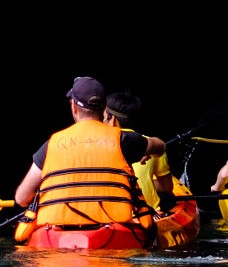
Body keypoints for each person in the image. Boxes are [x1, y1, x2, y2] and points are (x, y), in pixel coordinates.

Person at [11, 76, 161, 243]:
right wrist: (152, 152)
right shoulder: (124, 140)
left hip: (55, 240)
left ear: (74, 107)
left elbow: (22, 198)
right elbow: (159, 145)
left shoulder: (50, 145)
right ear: (104, 108)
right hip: (111, 236)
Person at [105, 89, 177, 212]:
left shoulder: (93, 145)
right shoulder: (152, 145)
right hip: (149, 214)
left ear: (112, 119)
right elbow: (166, 187)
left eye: (102, 116)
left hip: (112, 216)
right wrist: (146, 184)